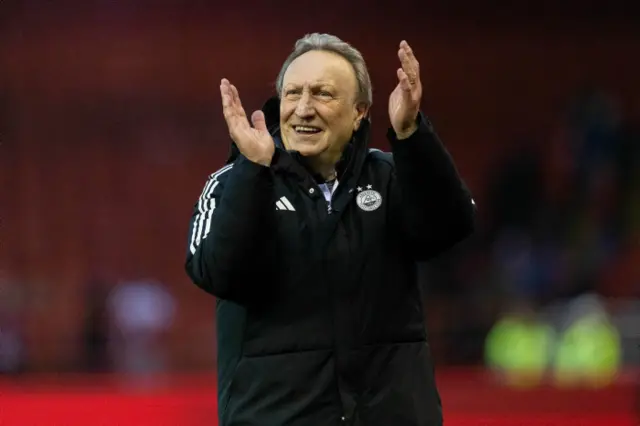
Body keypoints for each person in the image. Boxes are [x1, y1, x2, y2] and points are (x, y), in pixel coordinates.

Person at [185, 33, 476, 426]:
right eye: (293, 94)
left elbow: (450, 229)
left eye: (322, 94)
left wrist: (411, 135)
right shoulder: (233, 183)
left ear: (359, 112)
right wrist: (251, 171)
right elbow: (219, 272)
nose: (303, 109)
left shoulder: (393, 176)